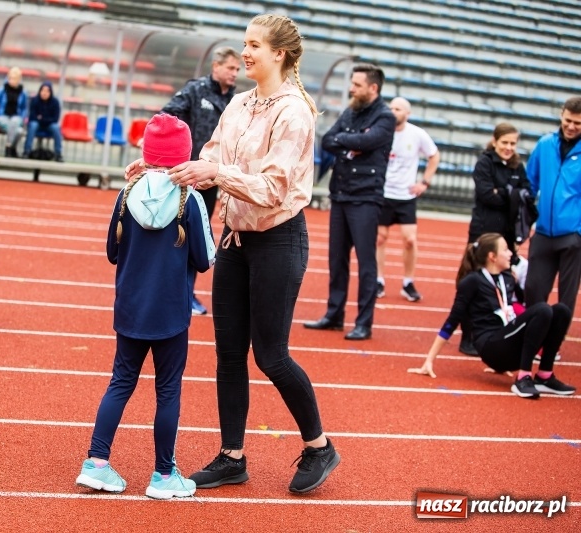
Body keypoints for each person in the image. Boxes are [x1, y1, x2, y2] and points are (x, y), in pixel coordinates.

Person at [131, 13, 341, 495]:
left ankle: (319, 446)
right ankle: (232, 456)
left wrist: (217, 175)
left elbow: (271, 189)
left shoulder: (294, 111)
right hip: (235, 241)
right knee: (228, 355)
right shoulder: (240, 104)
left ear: (279, 54)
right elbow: (208, 156)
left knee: (271, 355)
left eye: (253, 45)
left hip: (279, 240)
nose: (244, 53)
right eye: (244, 44)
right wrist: (158, 168)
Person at [76, 113, 215, 499]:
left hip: (130, 307)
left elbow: (111, 252)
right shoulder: (192, 200)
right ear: (184, 155)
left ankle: (97, 463)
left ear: (147, 152)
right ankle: (163, 475)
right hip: (171, 312)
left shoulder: (126, 193)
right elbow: (205, 260)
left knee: (120, 383)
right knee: (168, 391)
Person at [408, 233, 575, 399]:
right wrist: (429, 360)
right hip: (490, 346)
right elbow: (452, 320)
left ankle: (544, 375)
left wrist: (517, 284)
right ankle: (523, 377)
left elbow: (522, 305)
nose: (511, 253)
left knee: (561, 311)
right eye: (505, 250)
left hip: (507, 343)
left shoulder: (508, 278)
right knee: (543, 310)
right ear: (492, 257)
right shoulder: (472, 281)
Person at [303, 63, 395, 341]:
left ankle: (364, 322)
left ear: (373, 87)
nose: (351, 89)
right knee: (336, 260)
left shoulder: (385, 116)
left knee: (366, 263)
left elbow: (371, 142)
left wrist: (355, 141)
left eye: (356, 84)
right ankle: (334, 314)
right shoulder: (351, 111)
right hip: (341, 194)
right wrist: (352, 141)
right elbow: (329, 139)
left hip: (366, 197)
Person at [162, 46, 240, 315]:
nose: (235, 73)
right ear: (215, 66)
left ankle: (187, 293)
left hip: (217, 176)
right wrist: (176, 151)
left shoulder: (238, 100)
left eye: (238, 69)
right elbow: (168, 114)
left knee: (200, 236)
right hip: (188, 174)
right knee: (178, 234)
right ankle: (176, 292)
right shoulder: (195, 90)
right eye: (231, 67)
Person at [460, 122, 531, 356]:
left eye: (513, 143)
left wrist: (504, 193)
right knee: (475, 284)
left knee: (503, 287)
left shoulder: (517, 166)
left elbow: (526, 195)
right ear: (495, 140)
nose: (509, 147)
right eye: (505, 142)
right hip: (482, 233)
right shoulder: (484, 163)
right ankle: (467, 336)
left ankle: (494, 335)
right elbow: (486, 195)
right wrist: (509, 194)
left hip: (507, 237)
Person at [375, 97, 439, 303]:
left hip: (406, 195)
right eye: (391, 107)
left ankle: (408, 282)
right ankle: (378, 280)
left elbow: (434, 156)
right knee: (379, 238)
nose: (393, 111)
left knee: (410, 240)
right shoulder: (381, 130)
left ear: (407, 113)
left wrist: (424, 182)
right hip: (383, 193)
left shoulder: (417, 134)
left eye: (398, 109)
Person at [524, 96, 581, 318]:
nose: (571, 126)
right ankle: (533, 339)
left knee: (566, 298)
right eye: (568, 120)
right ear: (561, 115)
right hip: (544, 232)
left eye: (577, 123)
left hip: (573, 236)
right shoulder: (545, 144)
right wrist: (526, 220)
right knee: (533, 289)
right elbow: (530, 184)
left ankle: (553, 346)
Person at [0, 66, 28, 158]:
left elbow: (24, 108)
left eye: (14, 78)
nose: (12, 80)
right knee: (19, 131)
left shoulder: (23, 92)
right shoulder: (2, 90)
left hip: (16, 117)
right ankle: (12, 148)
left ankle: (8, 146)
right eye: (10, 78)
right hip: (3, 116)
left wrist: (22, 118)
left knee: (14, 122)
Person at [22, 81, 63, 162]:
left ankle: (58, 154)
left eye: (47, 91)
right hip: (38, 124)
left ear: (50, 92)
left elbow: (55, 118)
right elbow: (32, 116)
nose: (44, 93)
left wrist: (42, 118)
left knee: (56, 127)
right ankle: (27, 151)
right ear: (40, 91)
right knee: (33, 125)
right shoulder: (35, 100)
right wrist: (42, 119)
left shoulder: (55, 102)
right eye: (43, 90)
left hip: (49, 125)